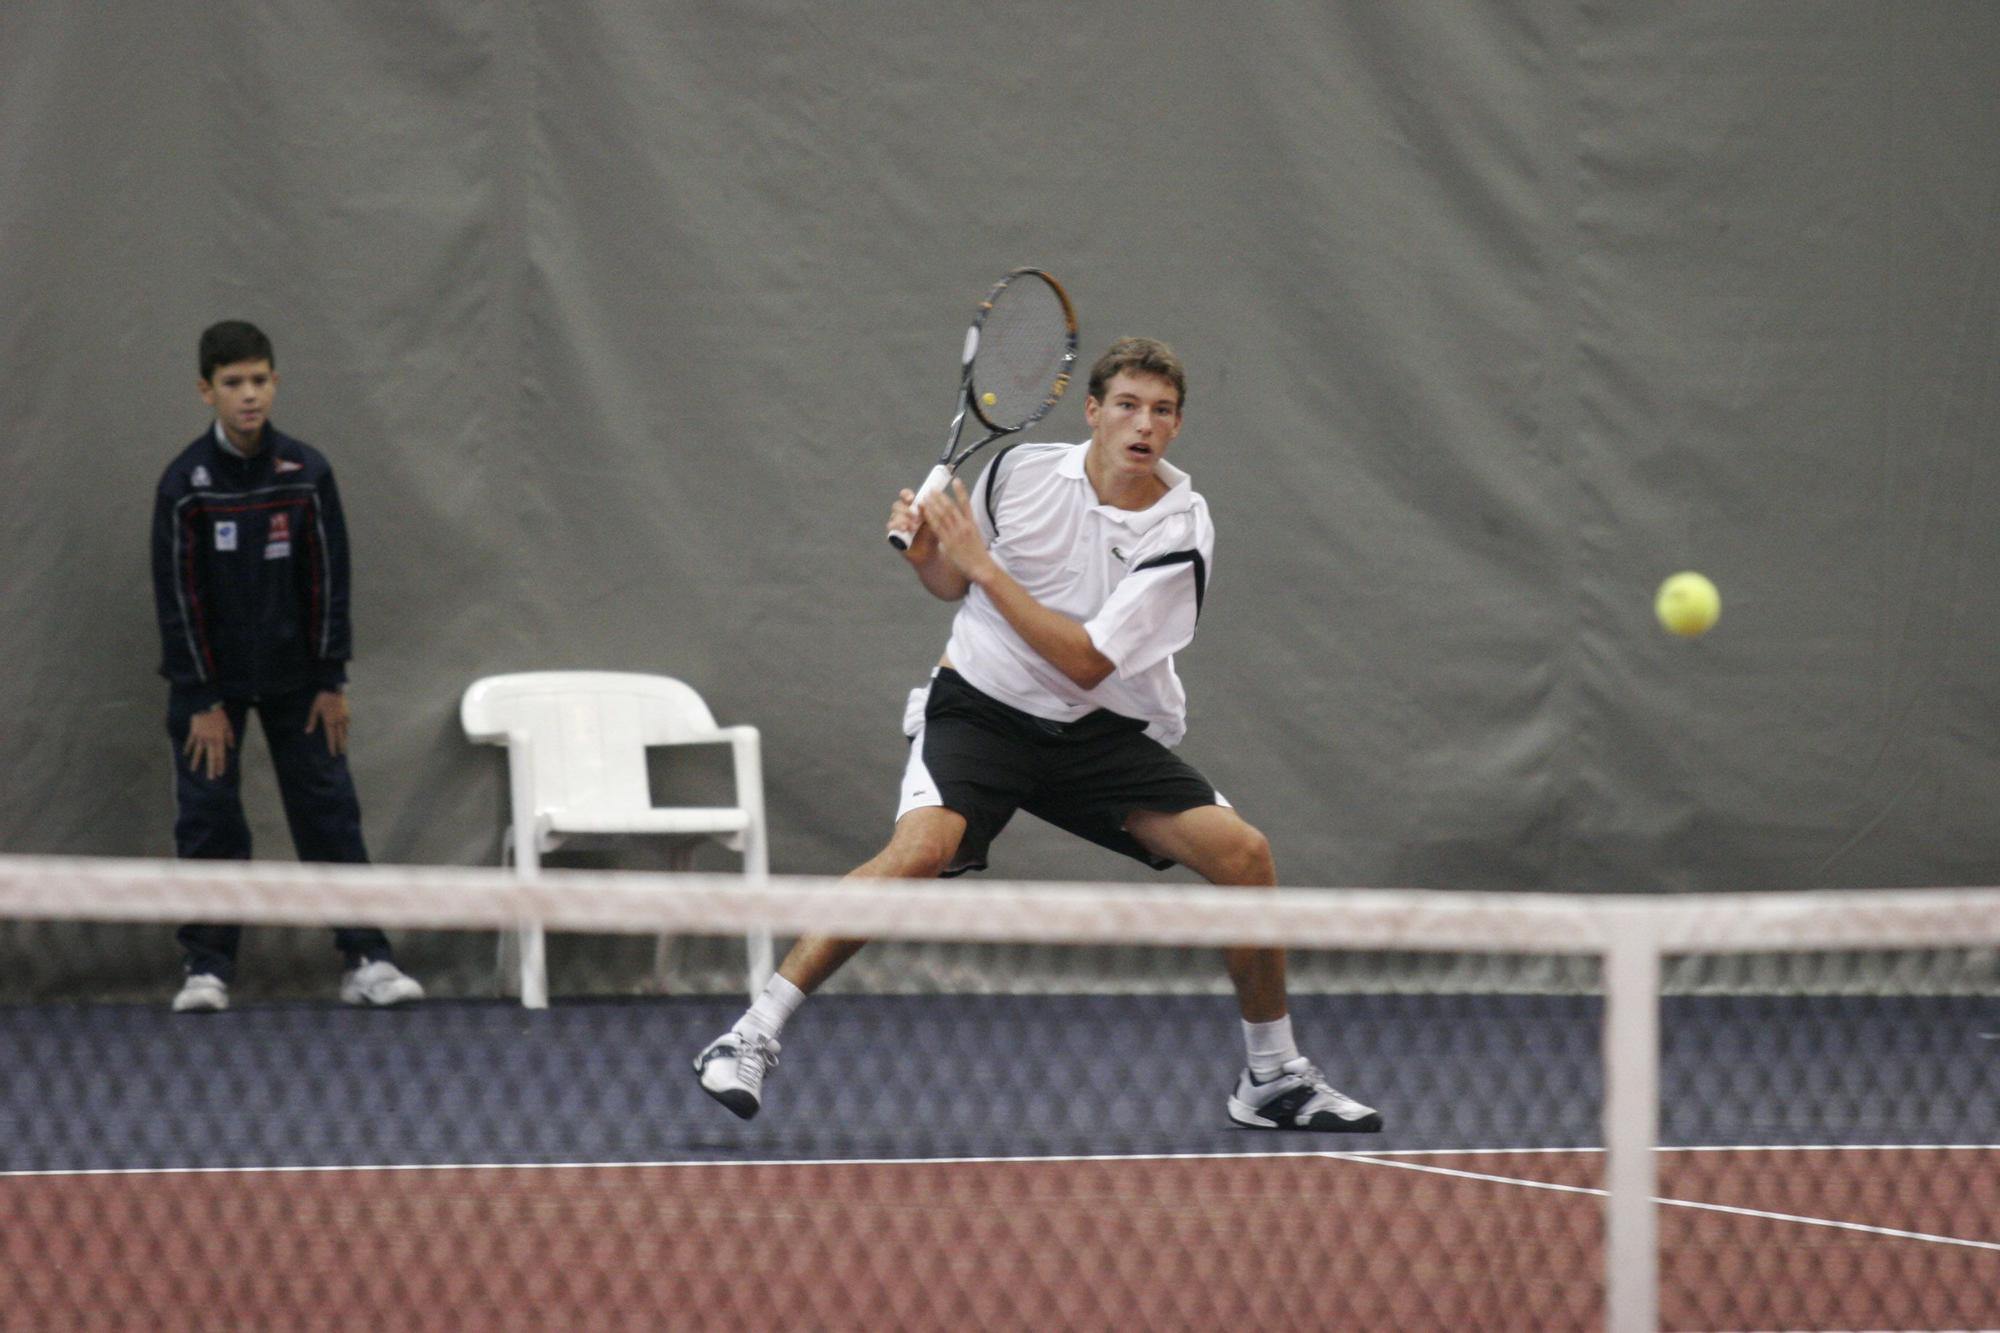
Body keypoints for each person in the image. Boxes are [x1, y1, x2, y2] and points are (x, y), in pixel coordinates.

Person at [694, 337, 1380, 1132]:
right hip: (980, 706)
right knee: (919, 850)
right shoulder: (1019, 472)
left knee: (1243, 855)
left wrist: (982, 566)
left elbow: (1087, 661)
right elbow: (951, 579)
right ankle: (748, 1036)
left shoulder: (1181, 528)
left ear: (1177, 428)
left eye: (1161, 411)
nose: (1142, 424)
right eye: (1126, 404)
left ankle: (1271, 1077)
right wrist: (928, 551)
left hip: (1093, 731)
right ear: (1092, 411)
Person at [150, 320, 423, 1013]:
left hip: (300, 682)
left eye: (260, 380)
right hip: (209, 688)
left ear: (275, 383)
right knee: (210, 820)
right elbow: (177, 597)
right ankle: (206, 968)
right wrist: (203, 697)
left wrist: (332, 679)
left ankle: (367, 957)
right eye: (233, 383)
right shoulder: (186, 485)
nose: (249, 396)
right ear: (205, 390)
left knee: (329, 811)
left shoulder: (307, 474)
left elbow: (329, 580)